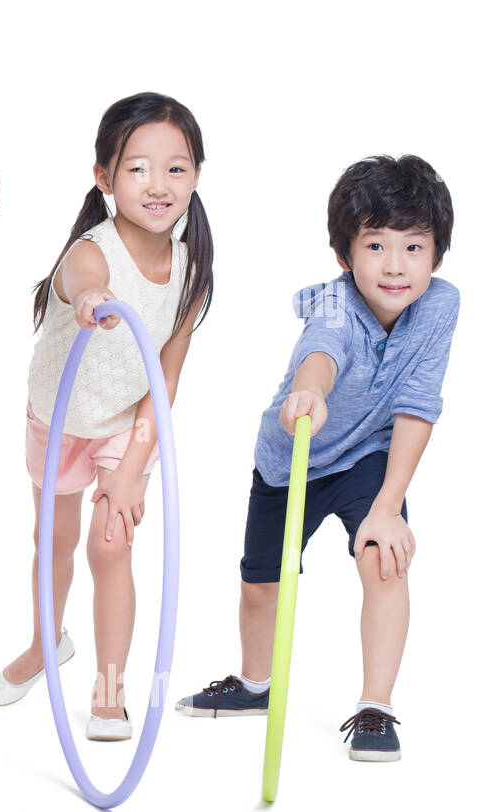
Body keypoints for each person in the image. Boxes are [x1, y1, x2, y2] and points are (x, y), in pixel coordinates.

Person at [178, 155, 457, 762]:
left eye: (414, 248)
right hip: (294, 459)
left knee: (385, 559)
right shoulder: (333, 304)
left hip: (371, 457)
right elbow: (322, 350)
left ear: (436, 256)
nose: (394, 265)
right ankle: (255, 685)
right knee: (261, 588)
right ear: (344, 254)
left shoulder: (439, 306)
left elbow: (418, 403)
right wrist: (311, 389)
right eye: (376, 245)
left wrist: (388, 509)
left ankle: (375, 707)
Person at [0, 93, 214, 744]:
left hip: (125, 426)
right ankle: (44, 644)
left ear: (197, 175)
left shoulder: (193, 269)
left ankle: (110, 691)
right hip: (57, 416)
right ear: (106, 179)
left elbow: (165, 378)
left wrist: (134, 469)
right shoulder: (91, 251)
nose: (160, 184)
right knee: (52, 543)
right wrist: (89, 294)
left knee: (111, 545)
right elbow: (83, 273)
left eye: (177, 168)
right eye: (138, 169)